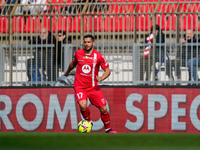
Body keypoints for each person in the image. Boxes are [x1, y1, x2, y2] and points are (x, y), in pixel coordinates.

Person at [64, 34, 117, 133]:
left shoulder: (99, 56)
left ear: (93, 43)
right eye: (85, 42)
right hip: (80, 86)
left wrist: (101, 78)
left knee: (103, 109)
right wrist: (67, 72)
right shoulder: (78, 53)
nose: (86, 44)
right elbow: (73, 63)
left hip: (93, 87)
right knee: (83, 105)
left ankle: (108, 129)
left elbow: (107, 71)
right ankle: (88, 122)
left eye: (89, 42)